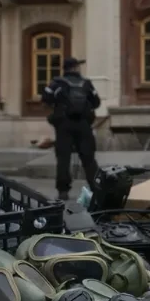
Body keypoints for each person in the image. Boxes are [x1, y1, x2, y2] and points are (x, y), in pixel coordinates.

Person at [42, 56, 101, 200]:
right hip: (83, 125)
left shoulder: (56, 83)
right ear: (75, 68)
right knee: (89, 159)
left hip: (64, 125)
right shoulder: (86, 84)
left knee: (63, 159)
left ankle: (63, 191)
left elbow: (45, 99)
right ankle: (96, 188)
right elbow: (96, 102)